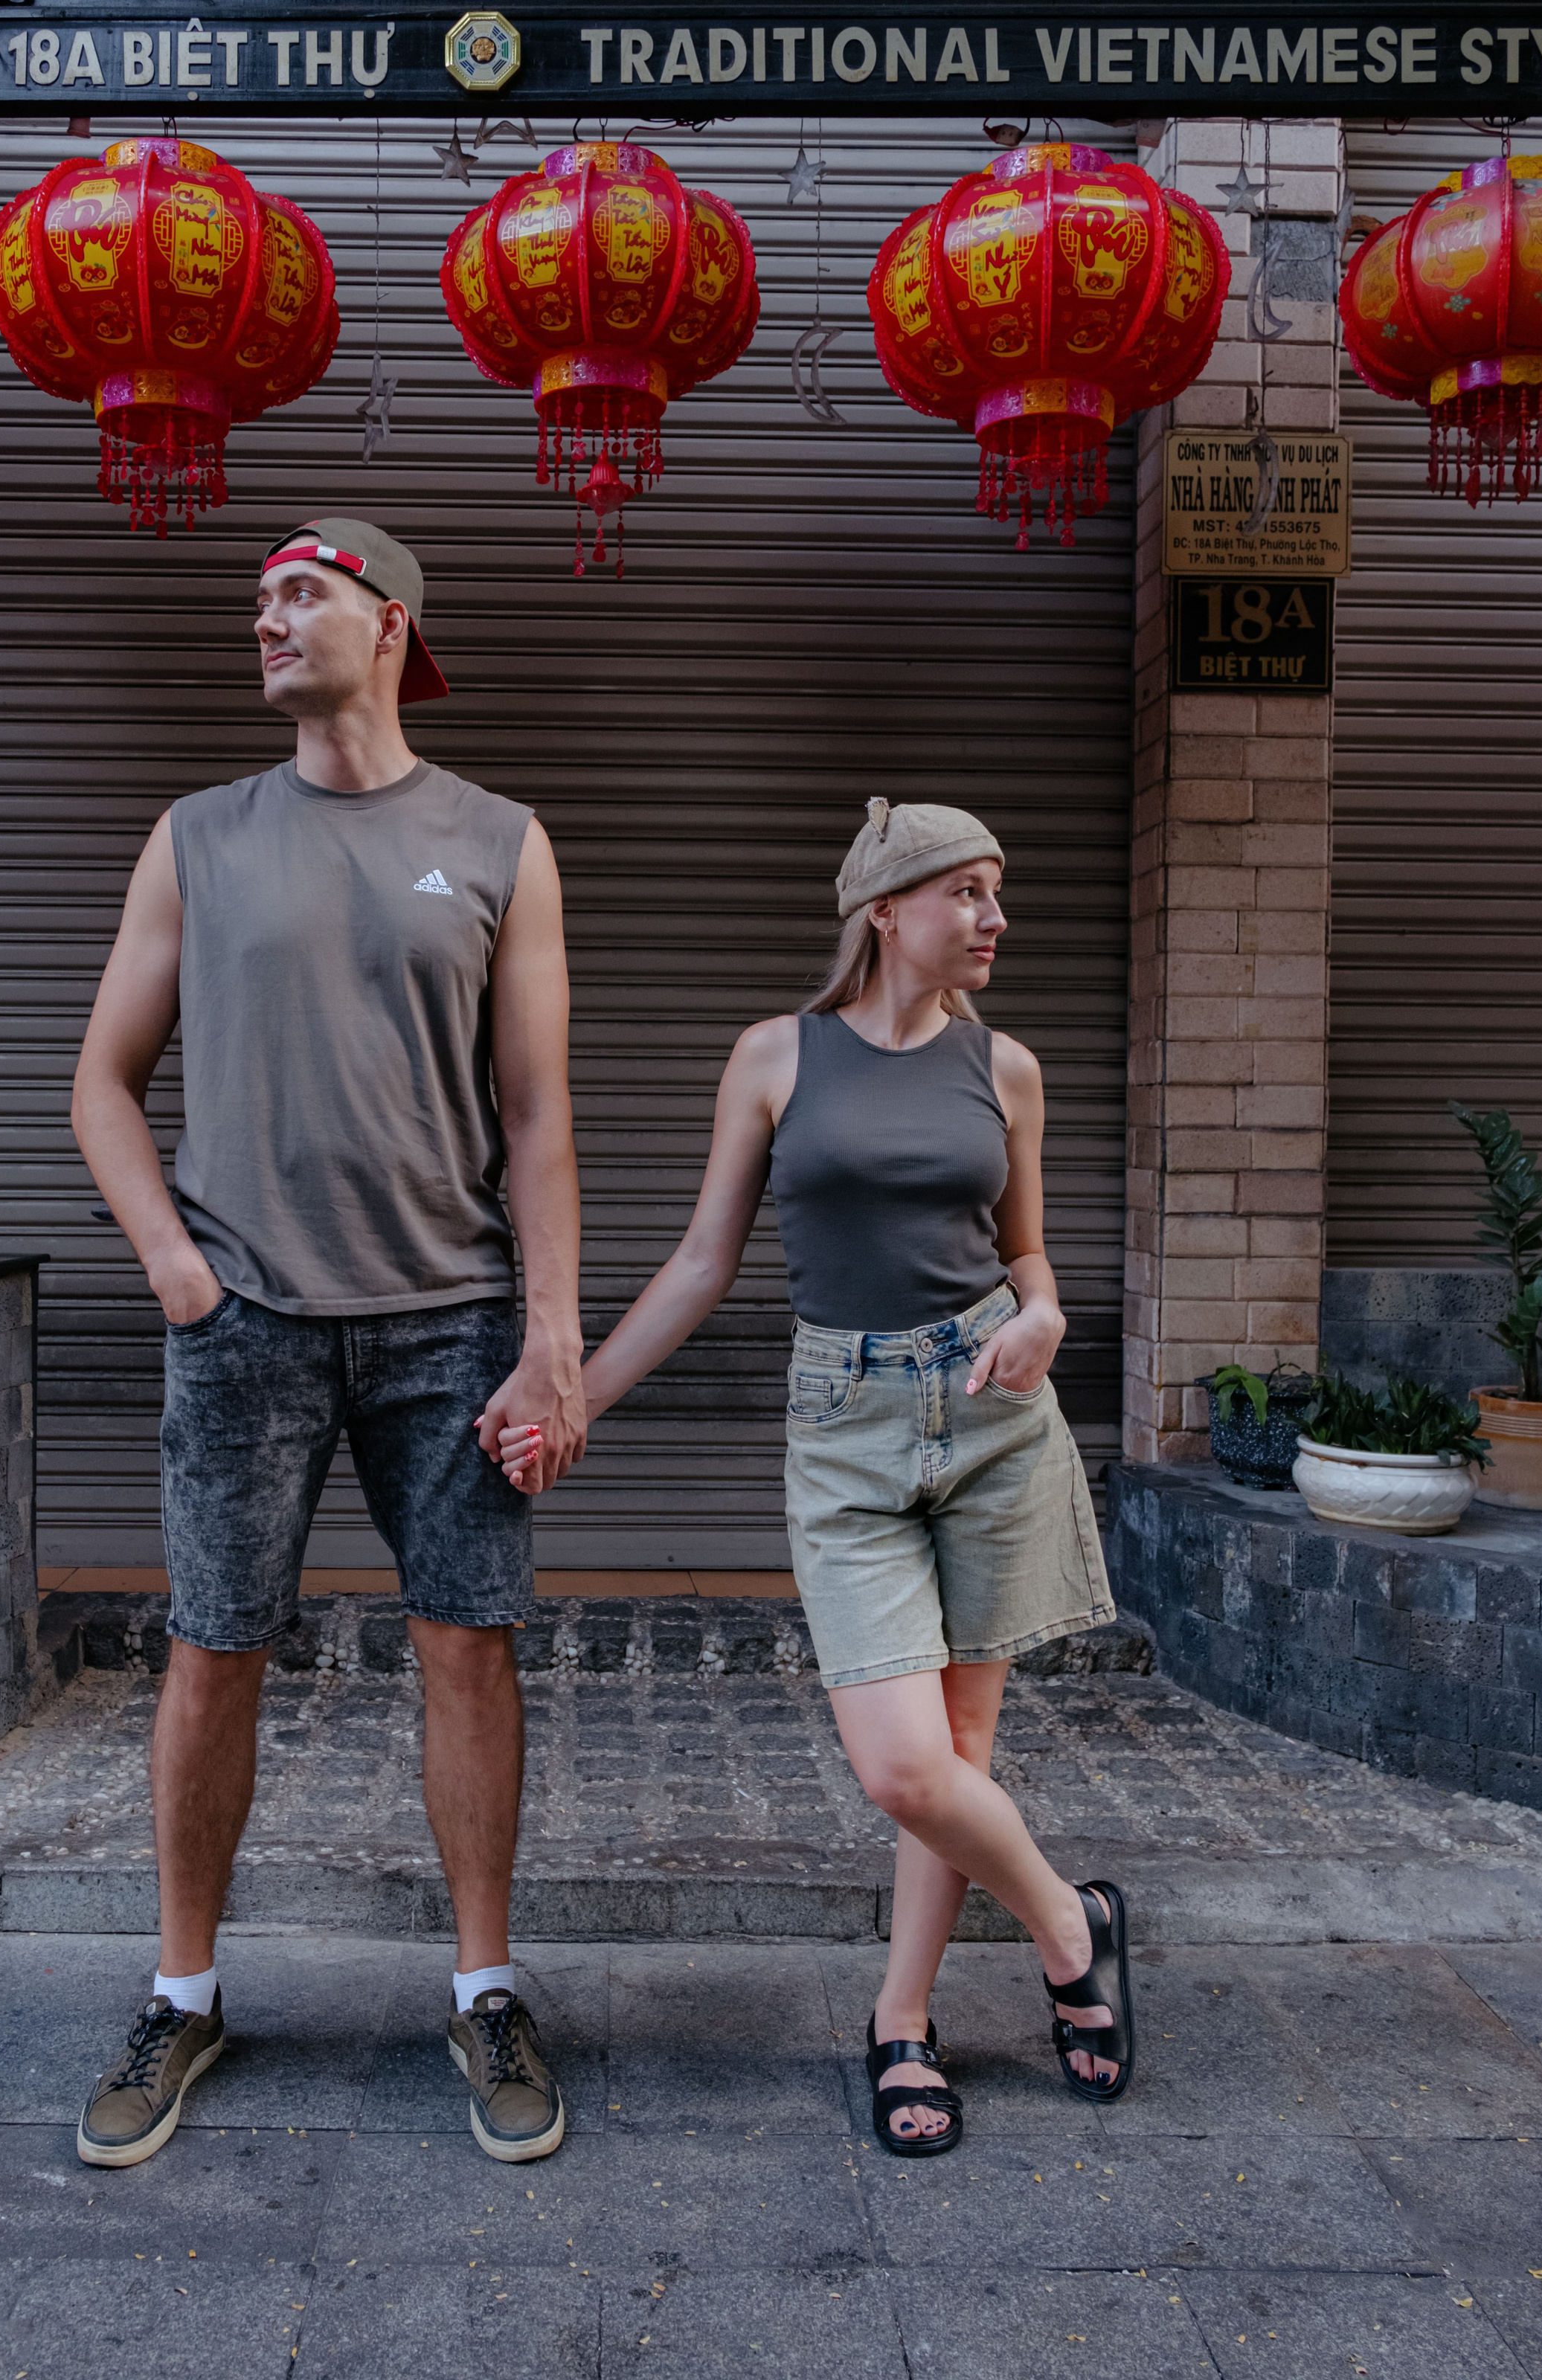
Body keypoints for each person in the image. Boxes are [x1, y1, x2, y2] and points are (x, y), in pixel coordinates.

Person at [498, 798, 1134, 2152]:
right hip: (845, 1427)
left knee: (961, 1753)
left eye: (999, 892)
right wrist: (575, 1400)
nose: (996, 918)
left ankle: (903, 2023)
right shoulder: (776, 1058)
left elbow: (1027, 1256)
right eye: (969, 892)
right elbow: (701, 1265)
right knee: (907, 1768)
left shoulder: (1005, 1069)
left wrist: (1048, 1314)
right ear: (886, 912)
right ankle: (1073, 1928)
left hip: (988, 1412)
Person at [70, 518, 584, 2170]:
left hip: (450, 1320)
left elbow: (536, 1113)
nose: (267, 618)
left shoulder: (500, 840)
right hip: (245, 1319)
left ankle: (487, 1987)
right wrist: (173, 1266)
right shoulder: (197, 836)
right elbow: (100, 1080)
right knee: (214, 1646)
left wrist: (554, 1338)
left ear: (390, 625)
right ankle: (181, 1991)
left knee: (465, 1645)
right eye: (263, 600)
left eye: (302, 594)